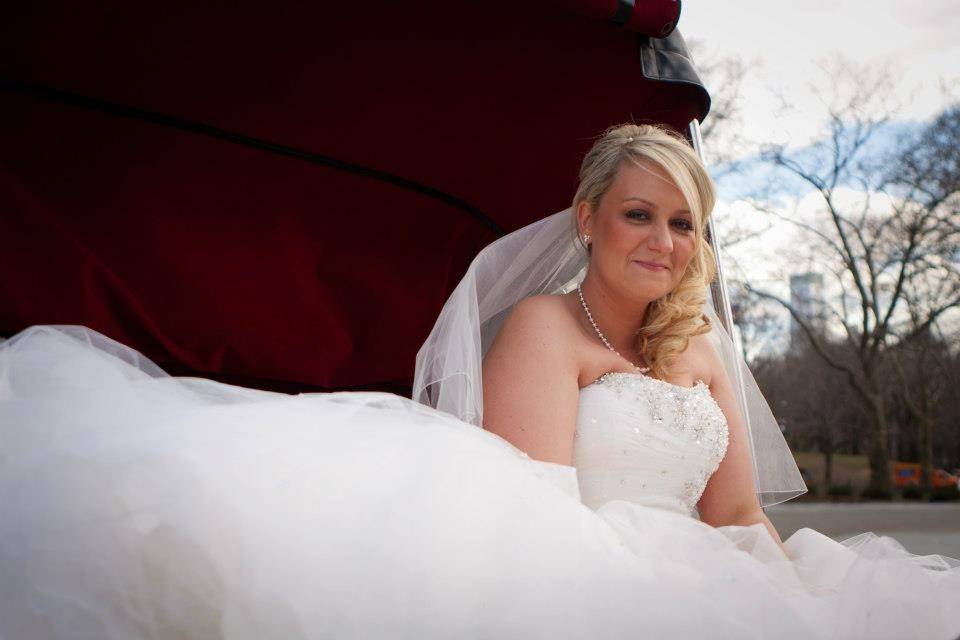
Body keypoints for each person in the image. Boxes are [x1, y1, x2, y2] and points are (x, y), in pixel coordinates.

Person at [1, 125, 959, 640]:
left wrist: (794, 603)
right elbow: (530, 506)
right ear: (587, 220)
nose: (665, 243)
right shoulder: (545, 327)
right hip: (576, 568)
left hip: (708, 576)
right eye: (639, 214)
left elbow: (740, 514)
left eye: (684, 223)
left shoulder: (701, 343)